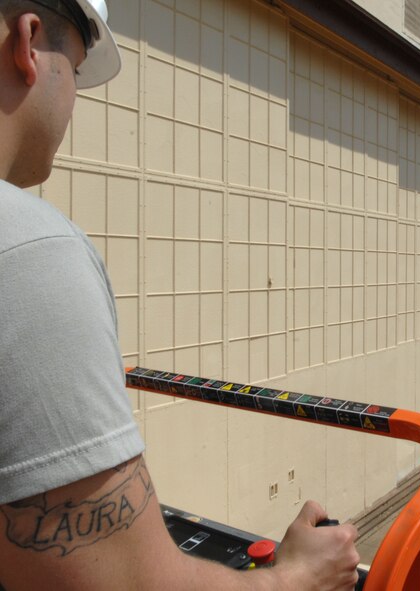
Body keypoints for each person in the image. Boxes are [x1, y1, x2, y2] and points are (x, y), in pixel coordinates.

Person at [0, 1, 360, 589]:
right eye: (75, 69)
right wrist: (293, 577)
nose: (74, 104)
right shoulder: (29, 252)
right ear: (29, 40)